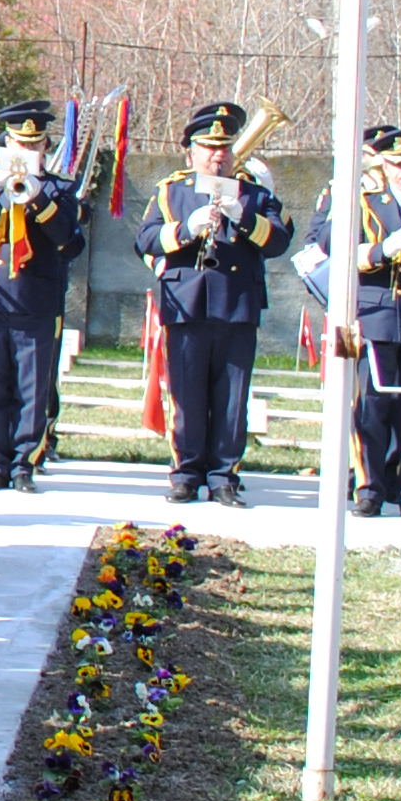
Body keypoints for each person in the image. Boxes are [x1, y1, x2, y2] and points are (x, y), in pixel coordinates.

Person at [298, 127, 401, 520]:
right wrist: (384, 249)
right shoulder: (365, 203)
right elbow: (331, 245)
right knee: (372, 404)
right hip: (377, 315)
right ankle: (369, 487)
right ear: (384, 165)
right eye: (398, 164)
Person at [135, 103, 285, 507]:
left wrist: (245, 219)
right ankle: (186, 472)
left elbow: (279, 242)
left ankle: (224, 476)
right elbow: (144, 240)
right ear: (191, 153)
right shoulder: (172, 192)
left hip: (237, 304)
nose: (218, 155)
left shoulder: (255, 194)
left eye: (224, 148)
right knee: (187, 395)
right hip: (187, 305)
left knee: (232, 398)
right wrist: (186, 228)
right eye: (209, 147)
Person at [0, 101, 83, 492]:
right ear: (7, 143)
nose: (26, 152)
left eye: (34, 145)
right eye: (19, 144)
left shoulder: (60, 189)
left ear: (45, 145)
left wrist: (39, 200)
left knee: (32, 386)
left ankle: (25, 462)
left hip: (36, 297)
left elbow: (69, 237)